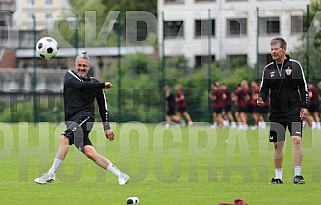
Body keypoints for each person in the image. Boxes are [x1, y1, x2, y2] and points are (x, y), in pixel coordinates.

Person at [34, 52, 129, 185]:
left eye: (84, 66)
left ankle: (50, 174)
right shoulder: (70, 76)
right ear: (75, 65)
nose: (81, 68)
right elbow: (81, 85)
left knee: (64, 137)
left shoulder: (94, 83)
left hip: (86, 117)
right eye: (79, 65)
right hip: (72, 121)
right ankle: (121, 175)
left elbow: (103, 106)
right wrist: (102, 85)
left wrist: (106, 127)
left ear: (89, 67)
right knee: (90, 153)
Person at [257, 37, 308, 184]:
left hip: (294, 110)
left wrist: (304, 106)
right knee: (277, 144)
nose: (273, 52)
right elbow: (264, 89)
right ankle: (278, 177)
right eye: (271, 49)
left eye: (276, 49)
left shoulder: (295, 66)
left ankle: (297, 175)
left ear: (284, 49)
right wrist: (260, 98)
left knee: (296, 140)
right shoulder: (268, 69)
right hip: (276, 113)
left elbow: (303, 88)